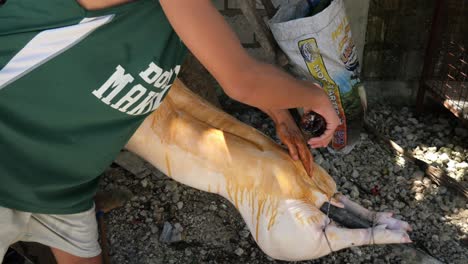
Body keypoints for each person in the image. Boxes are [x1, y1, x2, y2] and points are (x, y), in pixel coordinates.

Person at [0, 0, 339, 263]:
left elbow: (219, 54)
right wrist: (316, 96)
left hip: (63, 188)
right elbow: (242, 80)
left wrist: (279, 113)